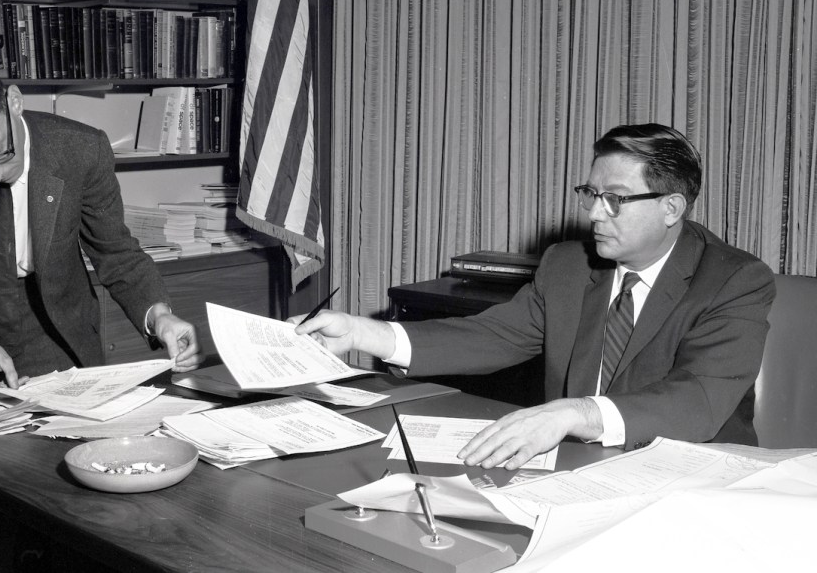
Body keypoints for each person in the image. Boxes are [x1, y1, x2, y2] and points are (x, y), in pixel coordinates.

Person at [295, 123, 775, 469]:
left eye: (616, 199)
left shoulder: (735, 279)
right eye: (591, 193)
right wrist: (363, 332)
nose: (594, 215)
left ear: (671, 208)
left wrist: (575, 412)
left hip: (694, 471)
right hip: (575, 465)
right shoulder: (568, 264)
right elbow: (494, 336)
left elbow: (700, 399)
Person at [0, 62, 201, 395]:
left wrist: (159, 316)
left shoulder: (81, 150)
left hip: (53, 329)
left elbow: (117, 253)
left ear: (14, 102)